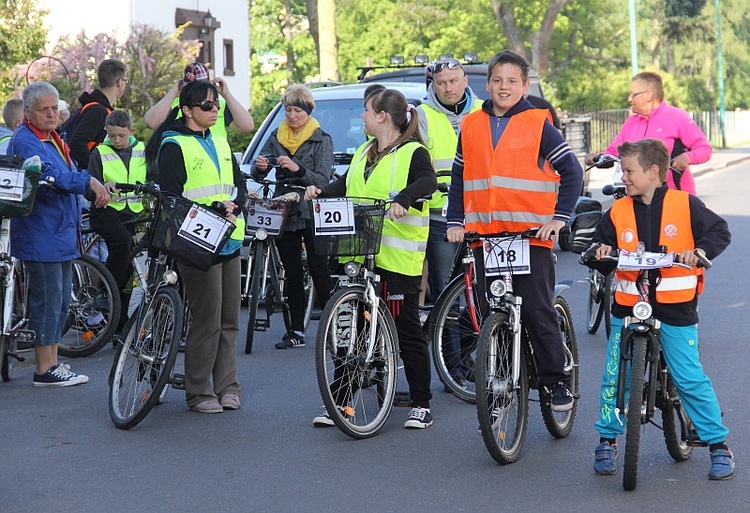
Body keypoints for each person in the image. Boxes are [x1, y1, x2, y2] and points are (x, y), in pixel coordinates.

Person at [582, 138, 734, 480]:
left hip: (675, 308)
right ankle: (607, 439)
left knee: (689, 377)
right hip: (628, 306)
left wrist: (698, 251)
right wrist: (599, 253)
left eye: (629, 170)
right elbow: (600, 244)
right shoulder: (618, 210)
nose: (624, 176)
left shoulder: (685, 204)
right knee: (613, 376)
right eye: (622, 170)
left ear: (654, 172)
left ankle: (718, 445)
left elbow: (720, 232)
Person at [445, 50, 583, 412]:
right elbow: (460, 177)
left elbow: (572, 171)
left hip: (531, 236)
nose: (503, 87)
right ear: (487, 84)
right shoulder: (472, 124)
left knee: (537, 309)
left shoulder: (539, 123)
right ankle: (501, 385)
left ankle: (556, 382)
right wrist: (455, 221)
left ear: (524, 85)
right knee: (494, 311)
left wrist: (560, 217)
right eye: (497, 80)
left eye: (512, 81)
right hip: (485, 237)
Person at [306, 88, 438, 429]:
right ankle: (341, 403)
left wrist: (406, 198)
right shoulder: (366, 151)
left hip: (397, 259)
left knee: (406, 329)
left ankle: (421, 403)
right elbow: (347, 185)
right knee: (355, 330)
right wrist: (321, 192)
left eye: (365, 111)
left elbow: (428, 181)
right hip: (361, 255)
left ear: (382, 116)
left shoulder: (413, 152)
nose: (361, 117)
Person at [145, 79, 247, 414]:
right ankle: (199, 391)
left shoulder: (219, 139)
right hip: (198, 241)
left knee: (230, 319)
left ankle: (228, 386)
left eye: (216, 104)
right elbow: (172, 199)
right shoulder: (173, 144)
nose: (215, 109)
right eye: (207, 105)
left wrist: (237, 205)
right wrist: (214, 209)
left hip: (229, 237)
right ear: (187, 110)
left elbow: (237, 184)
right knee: (207, 319)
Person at [7, 81, 109, 386]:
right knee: (48, 302)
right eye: (44, 109)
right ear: (27, 112)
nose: (52, 114)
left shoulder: (49, 136)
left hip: (58, 232)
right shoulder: (27, 140)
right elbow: (55, 176)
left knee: (61, 301)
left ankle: (52, 363)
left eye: (54, 108)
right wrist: (89, 181)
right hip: (42, 233)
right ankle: (44, 368)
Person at [251, 84, 335, 349]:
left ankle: (335, 327)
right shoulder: (277, 136)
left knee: (320, 268)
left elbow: (323, 178)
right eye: (288, 110)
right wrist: (261, 167)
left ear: (308, 111)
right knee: (292, 273)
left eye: (297, 110)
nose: (292, 115)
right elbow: (257, 171)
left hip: (311, 209)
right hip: (284, 210)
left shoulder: (322, 139)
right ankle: (296, 330)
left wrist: (297, 168)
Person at [416, 58, 481, 390]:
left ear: (465, 80)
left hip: (482, 215)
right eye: (442, 83)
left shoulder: (484, 110)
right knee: (448, 295)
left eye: (454, 81)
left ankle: (472, 358)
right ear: (433, 84)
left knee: (481, 290)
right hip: (441, 216)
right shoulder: (422, 115)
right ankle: (452, 366)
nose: (449, 88)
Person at [584, 71, 711, 196]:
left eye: (633, 95)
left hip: (673, 197)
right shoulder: (630, 122)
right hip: (636, 199)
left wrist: (687, 158)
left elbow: (705, 149)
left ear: (648, 95)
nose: (629, 99)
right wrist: (598, 158)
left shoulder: (677, 117)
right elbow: (613, 151)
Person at [88, 110, 157, 331]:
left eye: (121, 136)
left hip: (132, 213)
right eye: (112, 135)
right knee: (122, 243)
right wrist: (101, 187)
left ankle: (119, 326)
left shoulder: (141, 150)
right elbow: (89, 187)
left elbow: (153, 177)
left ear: (131, 132)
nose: (116, 140)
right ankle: (103, 292)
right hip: (105, 211)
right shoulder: (99, 152)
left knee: (129, 267)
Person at [143, 62, 254, 142]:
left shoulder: (218, 103)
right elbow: (151, 123)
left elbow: (247, 126)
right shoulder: (174, 104)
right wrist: (173, 92)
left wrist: (226, 94)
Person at [67, 58, 127, 170]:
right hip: (85, 180)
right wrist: (97, 170)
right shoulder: (98, 111)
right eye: (125, 81)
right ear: (119, 83)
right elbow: (76, 143)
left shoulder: (94, 106)